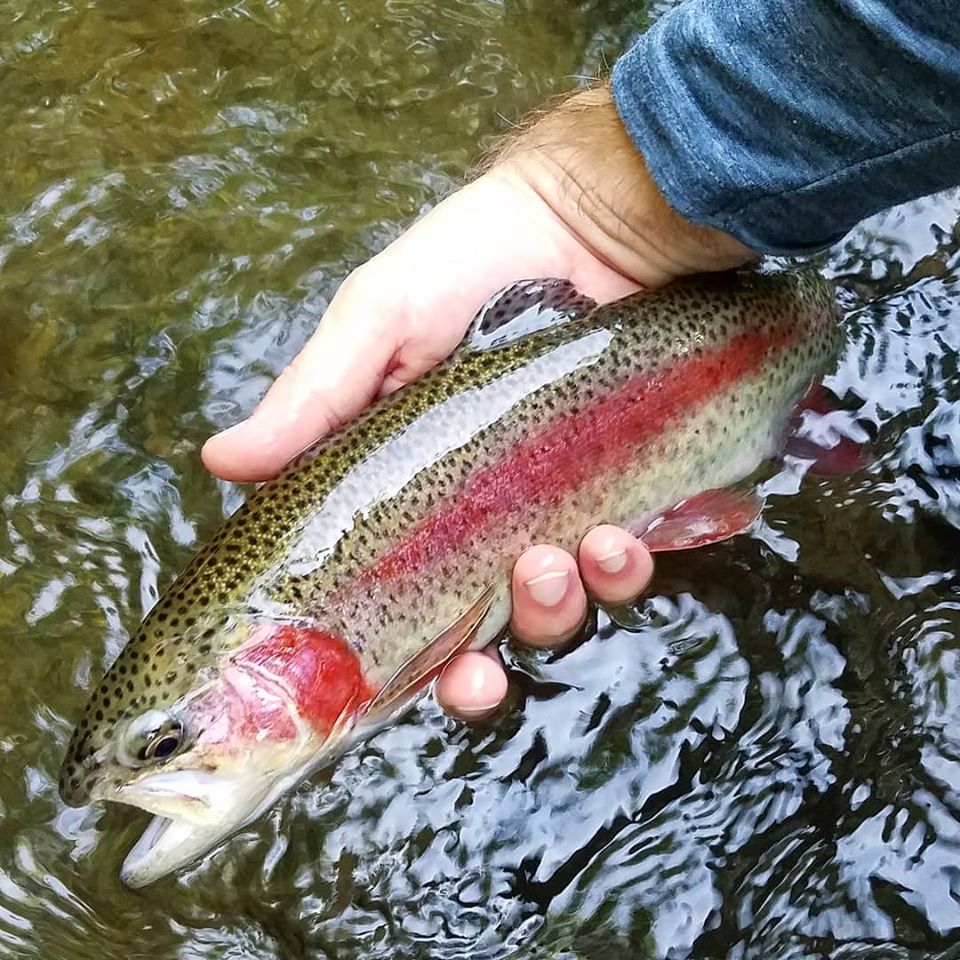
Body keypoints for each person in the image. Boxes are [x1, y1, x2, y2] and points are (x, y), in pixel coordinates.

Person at [201, 0, 960, 718]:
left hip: (756, 327)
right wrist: (597, 195)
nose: (172, 764)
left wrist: (604, 195)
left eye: (166, 745)